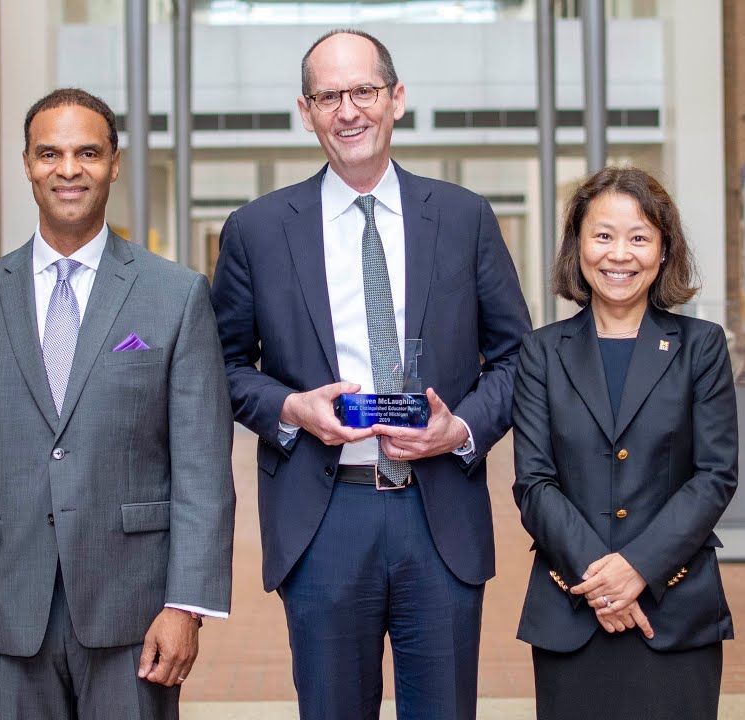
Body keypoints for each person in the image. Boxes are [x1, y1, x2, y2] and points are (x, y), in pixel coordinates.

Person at [210, 28, 532, 720]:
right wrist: (292, 408)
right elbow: (225, 366)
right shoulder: (257, 231)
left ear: (396, 99)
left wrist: (461, 429)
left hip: (438, 512)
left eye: (364, 91)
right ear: (306, 111)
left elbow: (517, 361)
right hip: (323, 518)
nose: (348, 110)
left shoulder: (463, 218)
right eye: (329, 96)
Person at [0, 87, 236, 719]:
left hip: (136, 611)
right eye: (49, 153)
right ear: (28, 165)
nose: (68, 169)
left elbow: (201, 466)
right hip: (5, 611)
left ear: (113, 163)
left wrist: (186, 605)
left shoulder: (175, 296)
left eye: (87, 152)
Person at [511, 165, 738, 719]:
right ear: (578, 248)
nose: (620, 255)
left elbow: (714, 476)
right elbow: (534, 483)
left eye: (639, 238)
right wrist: (602, 580)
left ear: (663, 251)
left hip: (675, 606)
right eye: (603, 236)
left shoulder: (700, 347)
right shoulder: (541, 353)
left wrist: (638, 568)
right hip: (572, 608)